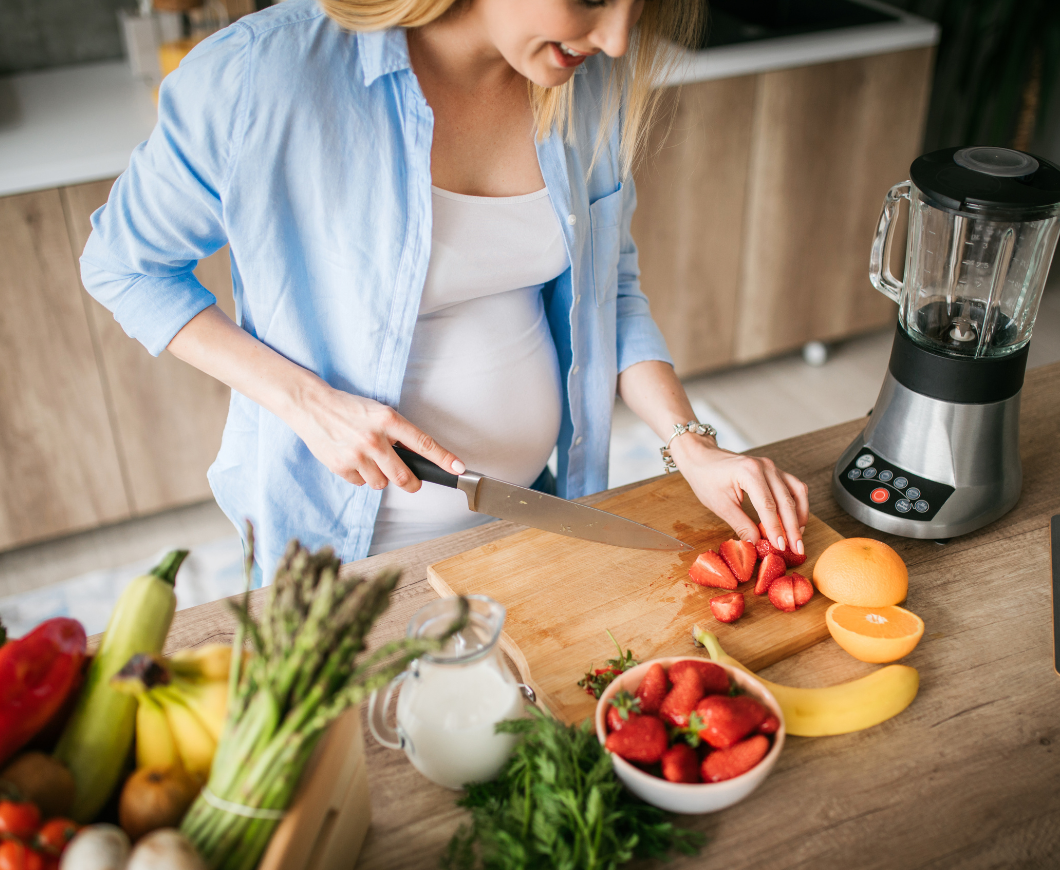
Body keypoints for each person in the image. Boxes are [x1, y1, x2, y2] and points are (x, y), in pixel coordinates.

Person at [81, 0, 809, 584]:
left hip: (533, 514)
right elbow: (125, 266)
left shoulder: (583, 79)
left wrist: (692, 444)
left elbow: (609, 293)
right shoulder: (262, 74)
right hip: (343, 552)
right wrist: (313, 406)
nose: (618, 38)